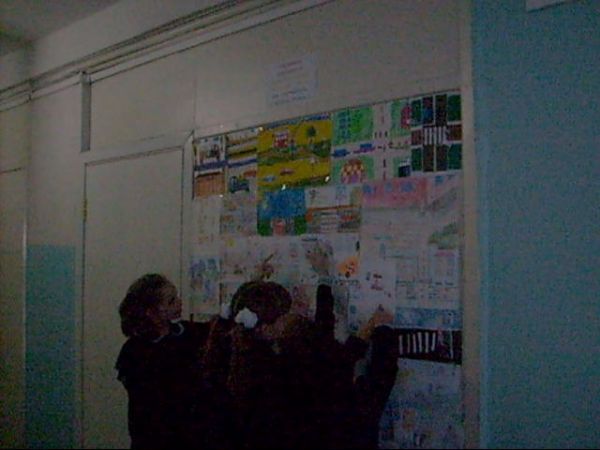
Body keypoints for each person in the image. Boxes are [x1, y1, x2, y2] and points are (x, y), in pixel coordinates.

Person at [202, 279, 398, 449]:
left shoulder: (236, 358)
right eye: (287, 312)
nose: (295, 312)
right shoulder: (287, 371)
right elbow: (338, 358)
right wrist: (381, 331)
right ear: (268, 328)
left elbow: (330, 347)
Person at [115, 273, 230, 449]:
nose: (179, 302)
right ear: (151, 312)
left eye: (176, 297)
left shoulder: (186, 332)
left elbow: (215, 331)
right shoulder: (135, 351)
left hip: (192, 434)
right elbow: (149, 401)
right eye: (171, 301)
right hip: (156, 437)